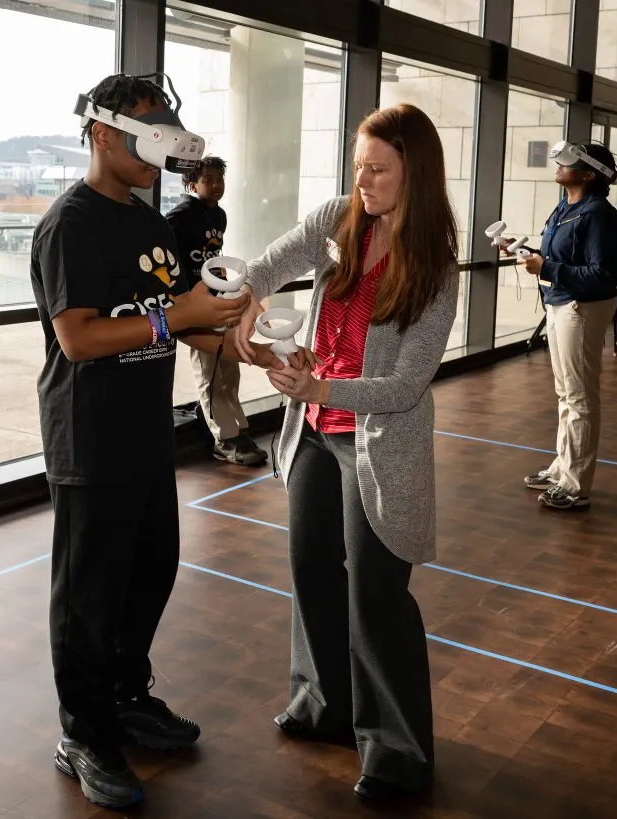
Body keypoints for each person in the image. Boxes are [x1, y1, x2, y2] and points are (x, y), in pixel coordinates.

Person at [29, 72, 282, 809]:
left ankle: (124, 696)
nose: (159, 153)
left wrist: (244, 345)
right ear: (103, 134)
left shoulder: (149, 225)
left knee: (149, 574)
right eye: (147, 135)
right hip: (89, 437)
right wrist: (179, 319)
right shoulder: (70, 224)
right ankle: (82, 731)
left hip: (145, 434)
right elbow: (78, 339)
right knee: (88, 597)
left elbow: (176, 314)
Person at [234, 104, 460, 801]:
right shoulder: (338, 218)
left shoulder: (435, 266)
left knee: (375, 595)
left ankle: (397, 750)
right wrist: (247, 302)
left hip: (377, 444)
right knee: (311, 568)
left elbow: (405, 383)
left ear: (412, 173)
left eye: (378, 169)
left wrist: (321, 381)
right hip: (312, 429)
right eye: (358, 165)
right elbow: (268, 264)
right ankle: (323, 704)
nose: (361, 179)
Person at [507, 141, 617, 511]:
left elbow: (603, 275)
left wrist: (548, 269)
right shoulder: (566, 207)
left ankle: (575, 485)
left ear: (588, 175)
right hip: (562, 302)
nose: (558, 167)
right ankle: (562, 468)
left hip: (581, 307)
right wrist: (523, 252)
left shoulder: (597, 215)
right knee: (566, 393)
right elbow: (558, 256)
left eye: (568, 164)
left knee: (580, 397)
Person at [165, 155, 267, 466]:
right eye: (208, 179)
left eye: (219, 179)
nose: (216, 185)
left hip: (218, 300)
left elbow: (211, 255)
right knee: (208, 370)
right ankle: (225, 439)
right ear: (191, 183)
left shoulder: (218, 216)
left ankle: (238, 428)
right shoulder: (179, 217)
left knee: (228, 366)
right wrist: (181, 299)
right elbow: (167, 259)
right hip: (195, 306)